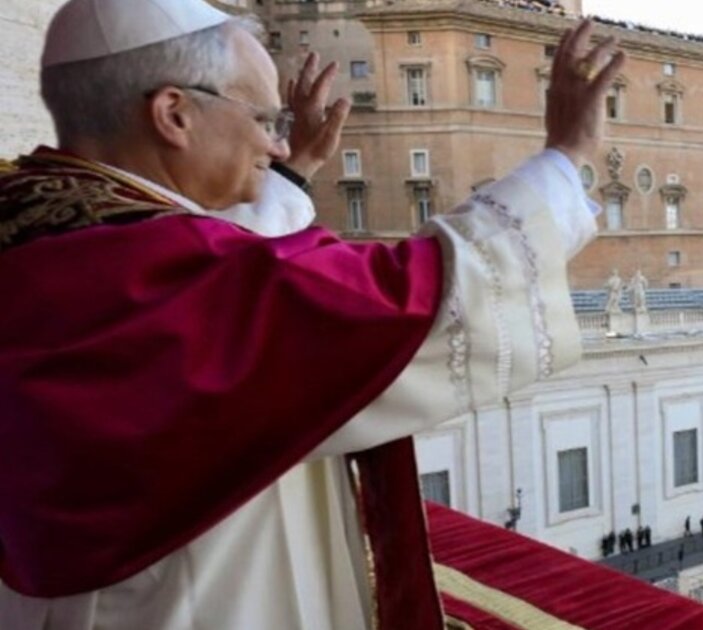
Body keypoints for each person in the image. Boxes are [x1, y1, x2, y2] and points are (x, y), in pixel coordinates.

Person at [0, 1, 627, 628]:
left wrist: (290, 175)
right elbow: (411, 298)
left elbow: (230, 265)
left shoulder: (50, 231)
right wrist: (565, 157)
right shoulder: (175, 278)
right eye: (262, 119)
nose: (275, 143)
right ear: (174, 114)